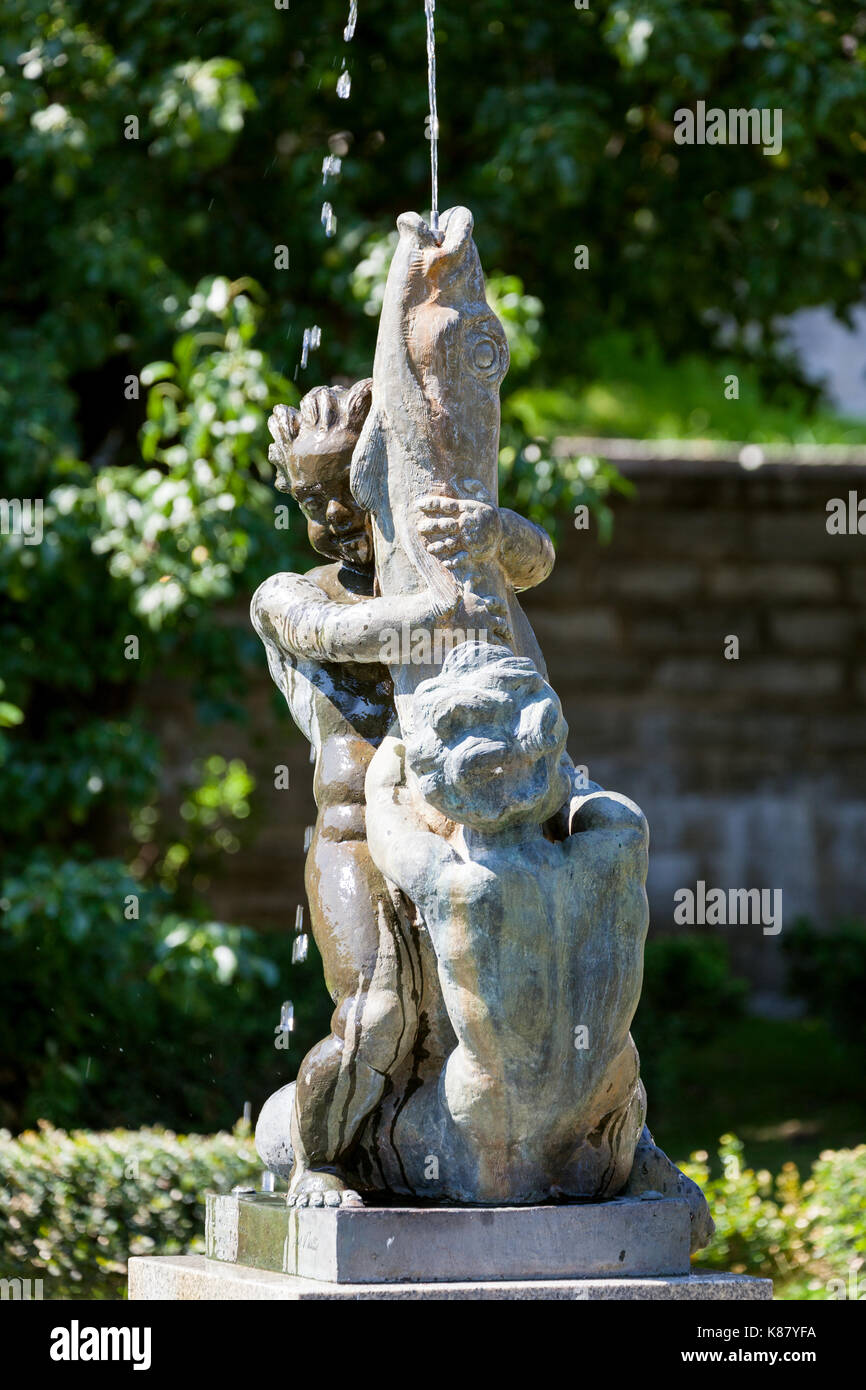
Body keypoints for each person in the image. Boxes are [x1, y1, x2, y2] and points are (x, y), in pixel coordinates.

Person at [251, 379, 556, 1205]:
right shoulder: (289, 595)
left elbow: (536, 561)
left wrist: (491, 531)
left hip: (464, 838)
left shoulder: (431, 559)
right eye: (316, 499)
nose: (340, 518)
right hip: (358, 841)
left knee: (542, 1010)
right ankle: (319, 1159)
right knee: (377, 1015)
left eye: (354, 490)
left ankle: (601, 1147)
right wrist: (457, 593)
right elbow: (346, 634)